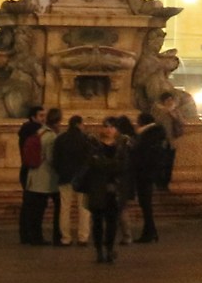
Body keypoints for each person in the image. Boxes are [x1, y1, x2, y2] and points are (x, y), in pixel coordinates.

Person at [78, 121, 127, 264]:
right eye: (106, 126)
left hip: (114, 190)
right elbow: (92, 164)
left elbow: (123, 166)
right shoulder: (94, 146)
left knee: (112, 222)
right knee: (98, 222)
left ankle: (110, 249)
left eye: (112, 126)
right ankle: (99, 250)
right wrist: (111, 165)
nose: (109, 129)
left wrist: (103, 164)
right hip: (97, 189)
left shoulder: (121, 147)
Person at [52, 115, 93, 246]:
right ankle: (83, 237)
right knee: (84, 208)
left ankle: (66, 238)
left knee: (65, 208)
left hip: (64, 177)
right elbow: (89, 160)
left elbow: (55, 160)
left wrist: (61, 172)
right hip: (83, 179)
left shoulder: (60, 139)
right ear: (79, 124)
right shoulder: (85, 139)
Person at [22, 110, 59, 245]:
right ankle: (38, 238)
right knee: (40, 210)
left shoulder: (39, 132)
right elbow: (50, 158)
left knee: (34, 210)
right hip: (45, 178)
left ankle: (31, 236)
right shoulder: (51, 136)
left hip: (33, 175)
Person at [132, 113, 168, 242]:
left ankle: (150, 233)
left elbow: (143, 156)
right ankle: (150, 232)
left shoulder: (146, 136)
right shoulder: (156, 134)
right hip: (150, 174)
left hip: (144, 174)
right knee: (146, 205)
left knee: (145, 204)